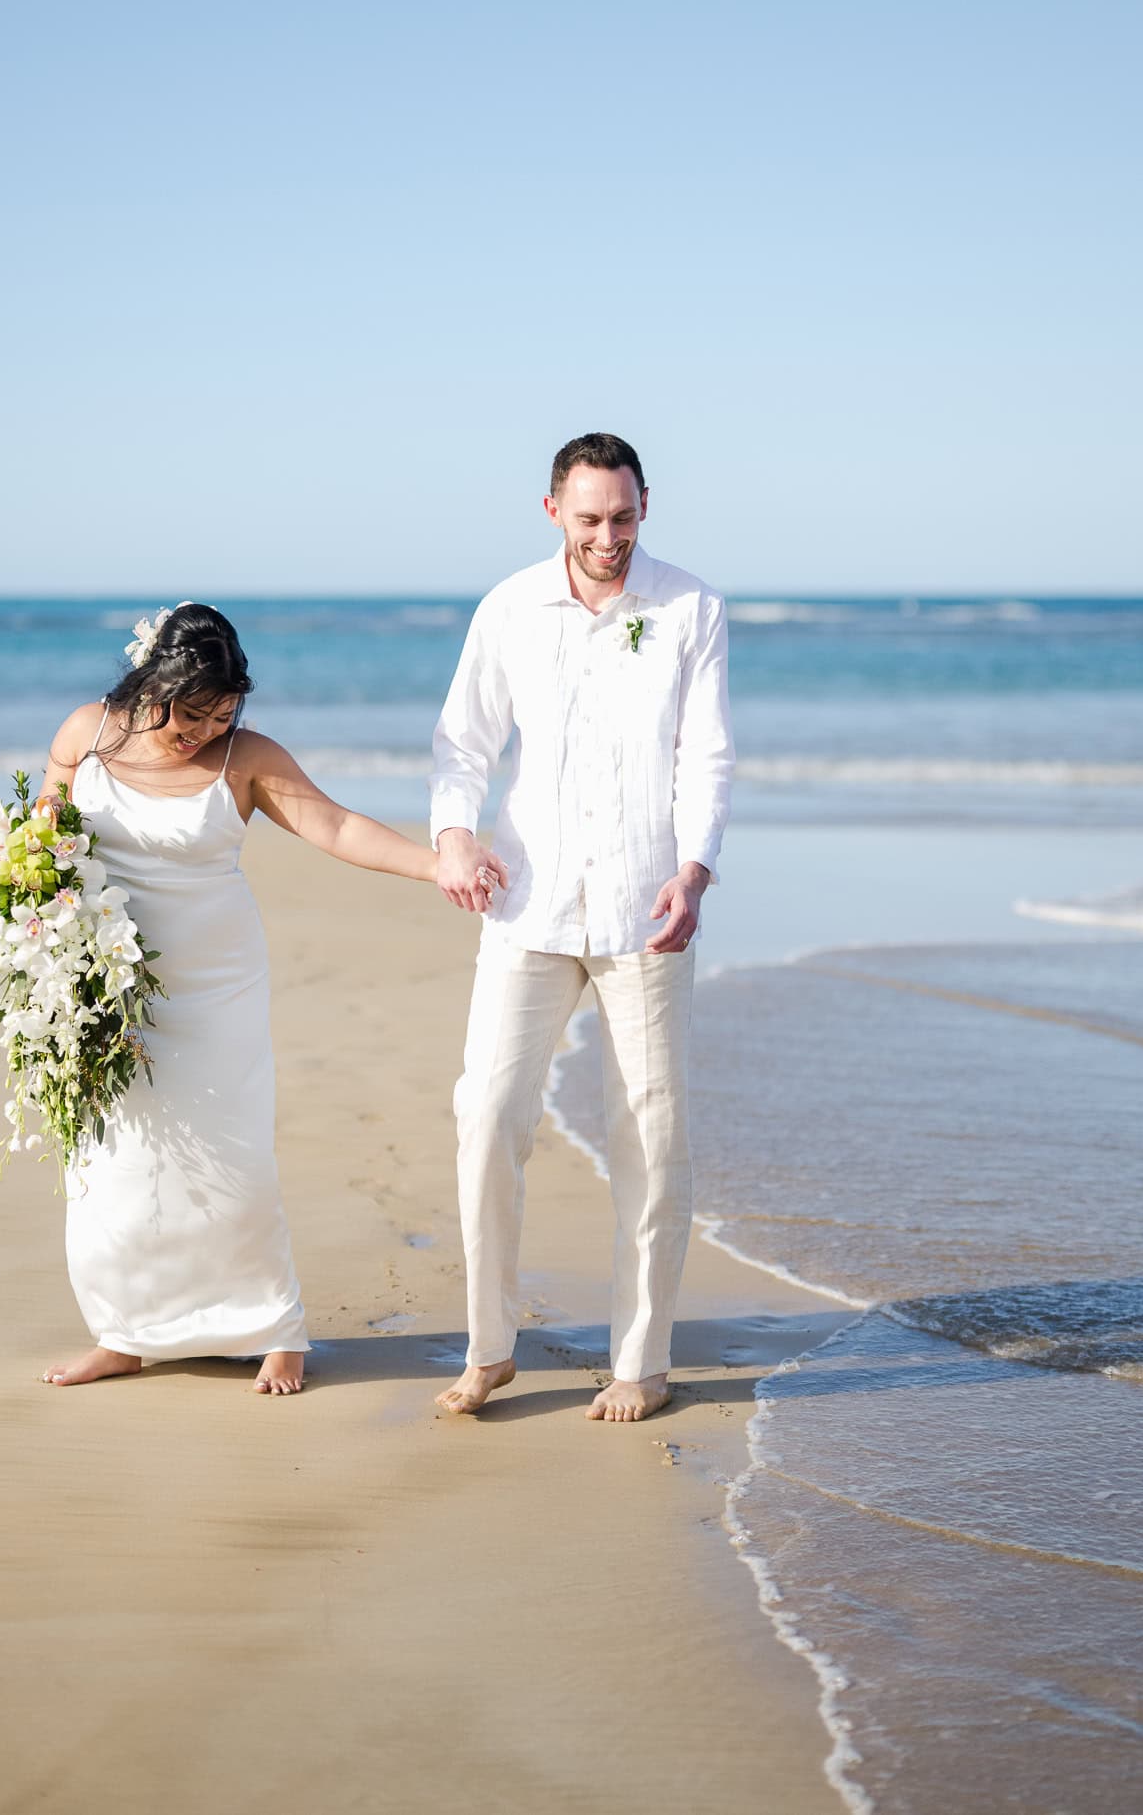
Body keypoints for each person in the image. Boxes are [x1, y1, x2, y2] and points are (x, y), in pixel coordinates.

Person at [36, 601, 463, 1394]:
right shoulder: (85, 732)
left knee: (230, 1153)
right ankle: (126, 1333)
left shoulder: (248, 758)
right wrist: (35, 914)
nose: (201, 730)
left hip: (215, 983)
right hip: (106, 978)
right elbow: (46, 831)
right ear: (150, 685)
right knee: (114, 1159)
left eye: (222, 713)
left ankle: (275, 1329)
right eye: (189, 713)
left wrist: (436, 865)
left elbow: (336, 827)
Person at [430, 434, 734, 1422]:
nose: (609, 537)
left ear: (647, 505)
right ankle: (488, 1349)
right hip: (528, 903)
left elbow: (707, 754)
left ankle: (639, 1360)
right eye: (591, 518)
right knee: (487, 1116)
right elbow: (462, 742)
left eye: (626, 517)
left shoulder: (691, 607)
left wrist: (694, 870)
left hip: (649, 911)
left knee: (653, 1133)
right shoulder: (510, 607)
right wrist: (451, 839)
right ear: (553, 508)